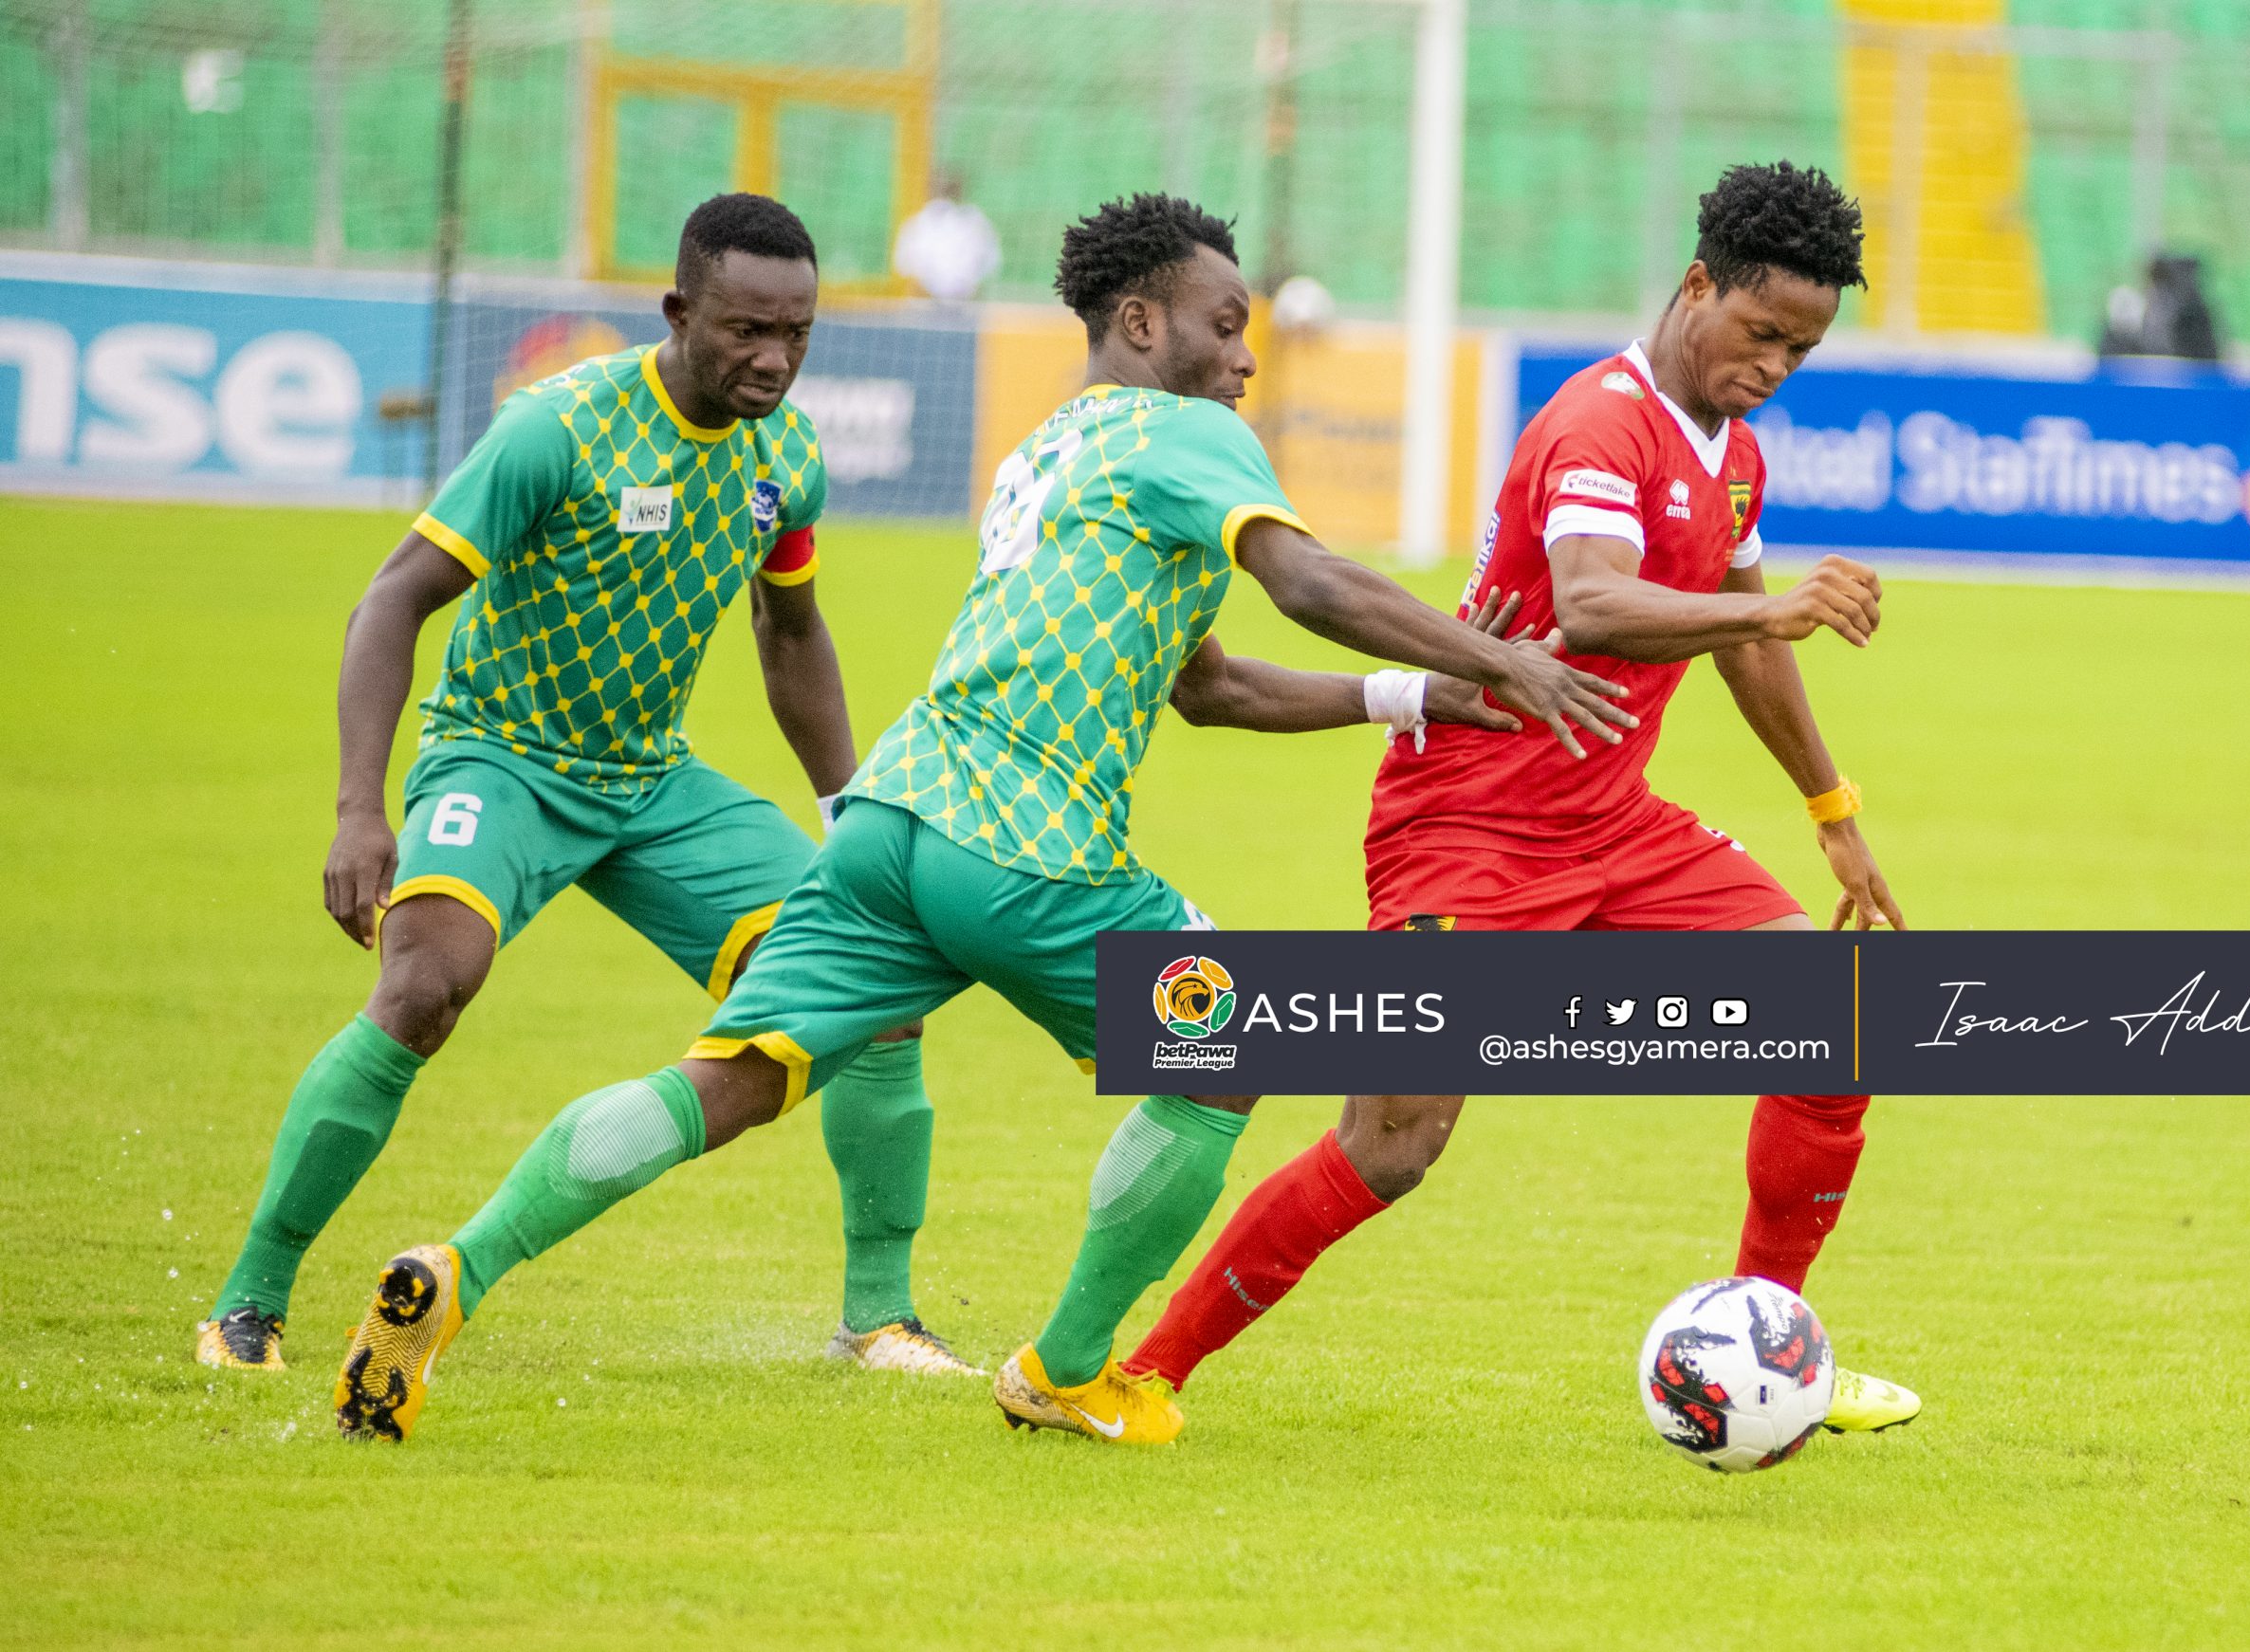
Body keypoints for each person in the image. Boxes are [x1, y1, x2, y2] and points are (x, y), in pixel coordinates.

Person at [324, 193, 1630, 1442]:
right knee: (1223, 1053)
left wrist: (1415, 693)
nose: (1246, 357)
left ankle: (458, 1265)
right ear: (1140, 322)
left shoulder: (1050, 451)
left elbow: (1208, 684)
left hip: (889, 822)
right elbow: (1308, 580)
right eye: (1226, 325)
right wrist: (1499, 657)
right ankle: (1066, 1371)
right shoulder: (1192, 438)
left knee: (726, 1080)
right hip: (1026, 845)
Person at [1116, 161, 1924, 1440]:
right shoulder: (1599, 423)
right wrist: (1771, 606)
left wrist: (1833, 808)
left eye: (1802, 348)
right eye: (1763, 330)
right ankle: (1143, 1371)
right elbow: (1594, 600)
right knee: (1393, 1140)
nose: (1775, 364)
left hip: (1611, 820)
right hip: (1468, 826)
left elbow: (1747, 652)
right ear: (1697, 285)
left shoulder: (1734, 455)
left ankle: (1772, 1347)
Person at [195, 193, 970, 1383]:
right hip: (500, 756)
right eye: (747, 330)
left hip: (651, 780)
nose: (774, 359)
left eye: (797, 334)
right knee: (422, 989)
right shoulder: (556, 429)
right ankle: (247, 1304)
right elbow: (393, 598)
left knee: (876, 982)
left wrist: (846, 815)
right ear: (678, 311)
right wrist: (360, 808)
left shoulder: (787, 457)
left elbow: (791, 634)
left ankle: (878, 1319)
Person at [892, 173, 1002, 302]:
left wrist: (975, 288)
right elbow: (904, 266)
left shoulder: (974, 221)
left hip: (965, 301)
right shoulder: (917, 224)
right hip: (927, 302)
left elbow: (991, 261)